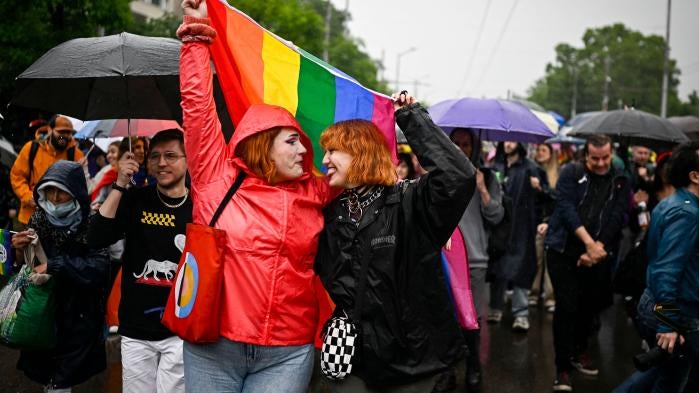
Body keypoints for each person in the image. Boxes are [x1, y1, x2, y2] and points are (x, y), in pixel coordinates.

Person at [177, 2, 336, 391]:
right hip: (213, 348)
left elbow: (359, 167)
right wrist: (196, 35)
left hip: (288, 353)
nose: (305, 151)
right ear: (263, 144)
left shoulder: (315, 192)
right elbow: (198, 108)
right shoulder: (216, 177)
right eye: (293, 140)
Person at [314, 92, 476, 392]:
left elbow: (459, 177)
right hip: (355, 363)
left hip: (415, 366)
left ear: (361, 153)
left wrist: (412, 118)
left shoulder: (409, 203)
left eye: (333, 150)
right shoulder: (332, 216)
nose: (324, 160)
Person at [87, 129, 190, 393]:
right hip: (136, 329)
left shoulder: (200, 205)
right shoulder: (135, 199)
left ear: (188, 158)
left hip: (180, 330)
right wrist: (120, 184)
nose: (162, 163)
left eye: (170, 155)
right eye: (155, 156)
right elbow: (96, 237)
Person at [11, 160, 109, 392]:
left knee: (62, 380)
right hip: (44, 312)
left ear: (75, 193)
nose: (54, 199)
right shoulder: (39, 219)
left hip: (80, 316)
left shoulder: (91, 224)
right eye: (49, 191)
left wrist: (55, 265)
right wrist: (17, 249)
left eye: (62, 193)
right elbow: (26, 266)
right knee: (49, 377)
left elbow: (98, 269)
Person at [544, 134, 631, 391]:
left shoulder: (620, 178)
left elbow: (617, 215)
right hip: (563, 249)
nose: (602, 163)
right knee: (567, 306)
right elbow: (565, 208)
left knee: (588, 307)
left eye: (606, 157)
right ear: (586, 155)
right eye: (595, 158)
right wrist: (588, 243)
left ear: (611, 153)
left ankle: (579, 351)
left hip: (597, 253)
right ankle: (561, 368)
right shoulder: (571, 171)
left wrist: (598, 248)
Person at [634, 141, 699, 392]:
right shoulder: (687, 213)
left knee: (656, 377)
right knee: (669, 383)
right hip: (675, 311)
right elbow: (665, 270)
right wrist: (668, 323)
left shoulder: (677, 202)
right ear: (695, 176)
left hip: (663, 304)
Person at [444, 127, 504, 392]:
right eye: (455, 143)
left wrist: (481, 188)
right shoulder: (441, 174)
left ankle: (473, 368)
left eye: (466, 144)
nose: (460, 148)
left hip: (475, 260)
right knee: (445, 317)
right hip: (444, 260)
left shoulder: (488, 177)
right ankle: (446, 372)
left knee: (472, 320)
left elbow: (496, 216)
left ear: (474, 147)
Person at [489, 141, 549, 332]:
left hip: (523, 226)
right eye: (505, 140)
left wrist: (539, 188)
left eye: (513, 140)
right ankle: (495, 307)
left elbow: (548, 198)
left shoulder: (531, 168)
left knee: (522, 267)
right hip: (499, 226)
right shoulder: (495, 167)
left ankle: (521, 313)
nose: (508, 144)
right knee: (497, 266)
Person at [10, 115, 84, 229]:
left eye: (69, 133)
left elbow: (81, 187)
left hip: (61, 221)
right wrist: (28, 196)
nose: (65, 136)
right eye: (61, 132)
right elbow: (17, 176)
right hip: (29, 216)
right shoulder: (31, 148)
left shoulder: (76, 154)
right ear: (49, 130)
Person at [530, 143, 559, 312]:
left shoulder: (556, 174)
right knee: (536, 259)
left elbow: (556, 200)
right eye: (538, 150)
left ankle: (550, 297)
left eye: (543, 150)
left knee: (549, 262)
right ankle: (533, 293)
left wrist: (541, 189)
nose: (539, 153)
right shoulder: (532, 170)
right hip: (535, 222)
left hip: (550, 222)